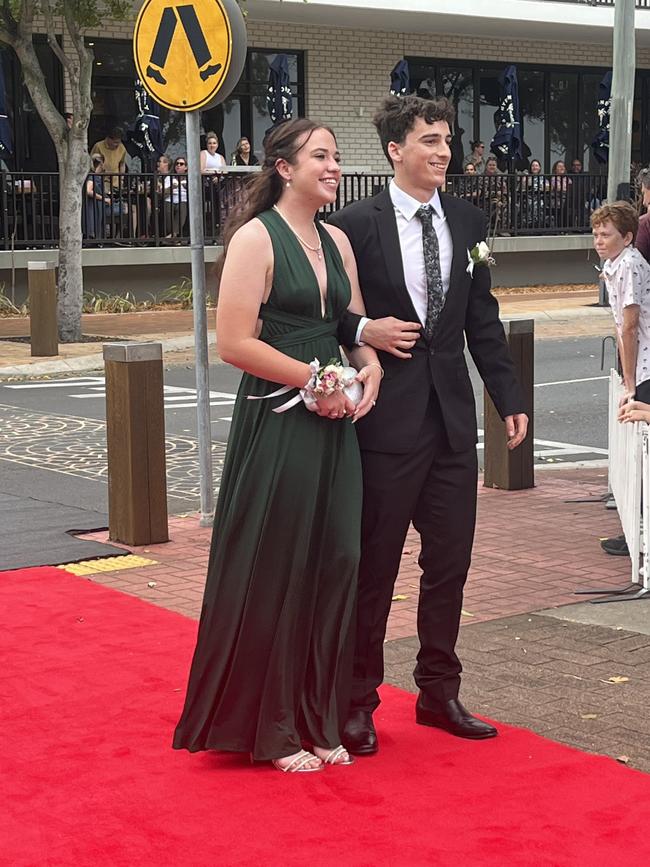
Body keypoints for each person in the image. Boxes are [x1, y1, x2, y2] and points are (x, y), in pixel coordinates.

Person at [172, 118, 383, 773]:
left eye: (338, 155)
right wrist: (313, 377)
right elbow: (233, 343)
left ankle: (319, 718)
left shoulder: (337, 241)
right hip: (279, 410)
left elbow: (350, 325)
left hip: (333, 414)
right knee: (284, 559)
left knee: (338, 556)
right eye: (321, 155)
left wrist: (366, 360)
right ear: (285, 168)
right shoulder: (255, 240)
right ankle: (274, 723)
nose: (335, 165)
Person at [328, 95, 528, 756]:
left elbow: (482, 318)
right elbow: (324, 309)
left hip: (451, 425)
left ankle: (438, 693)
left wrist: (507, 395)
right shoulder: (354, 224)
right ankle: (358, 699)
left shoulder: (469, 219)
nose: (442, 151)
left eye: (446, 140)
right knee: (376, 566)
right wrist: (363, 329)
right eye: (429, 140)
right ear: (395, 149)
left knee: (450, 564)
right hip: (384, 424)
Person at [592, 202, 650, 558]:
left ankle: (640, 536)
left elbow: (629, 326)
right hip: (642, 362)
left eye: (606, 234)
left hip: (647, 363)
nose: (599, 239)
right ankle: (637, 533)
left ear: (626, 237)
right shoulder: (614, 265)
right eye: (596, 233)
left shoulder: (629, 264)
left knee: (644, 449)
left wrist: (629, 383)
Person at [163, 155, 188, 238]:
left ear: (185, 167)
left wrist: (187, 187)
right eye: (177, 164)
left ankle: (172, 236)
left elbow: (195, 192)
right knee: (167, 209)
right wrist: (171, 188)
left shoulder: (188, 178)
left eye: (181, 164)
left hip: (183, 199)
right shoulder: (169, 177)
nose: (178, 165)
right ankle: (173, 236)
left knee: (182, 208)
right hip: (170, 199)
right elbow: (163, 192)